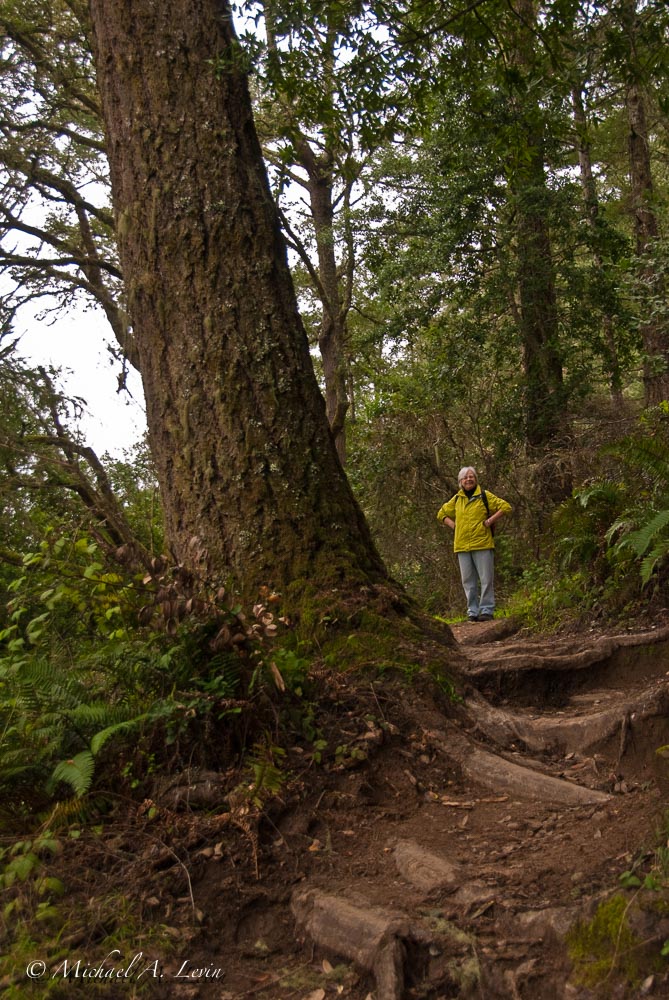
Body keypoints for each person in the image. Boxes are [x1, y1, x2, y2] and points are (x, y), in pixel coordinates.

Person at [437, 467, 511, 622]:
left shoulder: (484, 495)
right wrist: (454, 525)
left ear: (476, 479)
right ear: (460, 482)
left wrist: (490, 521)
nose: (468, 479)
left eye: (471, 477)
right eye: (465, 477)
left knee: (486, 579)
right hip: (462, 545)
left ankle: (486, 610)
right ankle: (473, 611)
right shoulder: (457, 499)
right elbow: (441, 514)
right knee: (468, 581)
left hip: (482, 543)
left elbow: (505, 507)